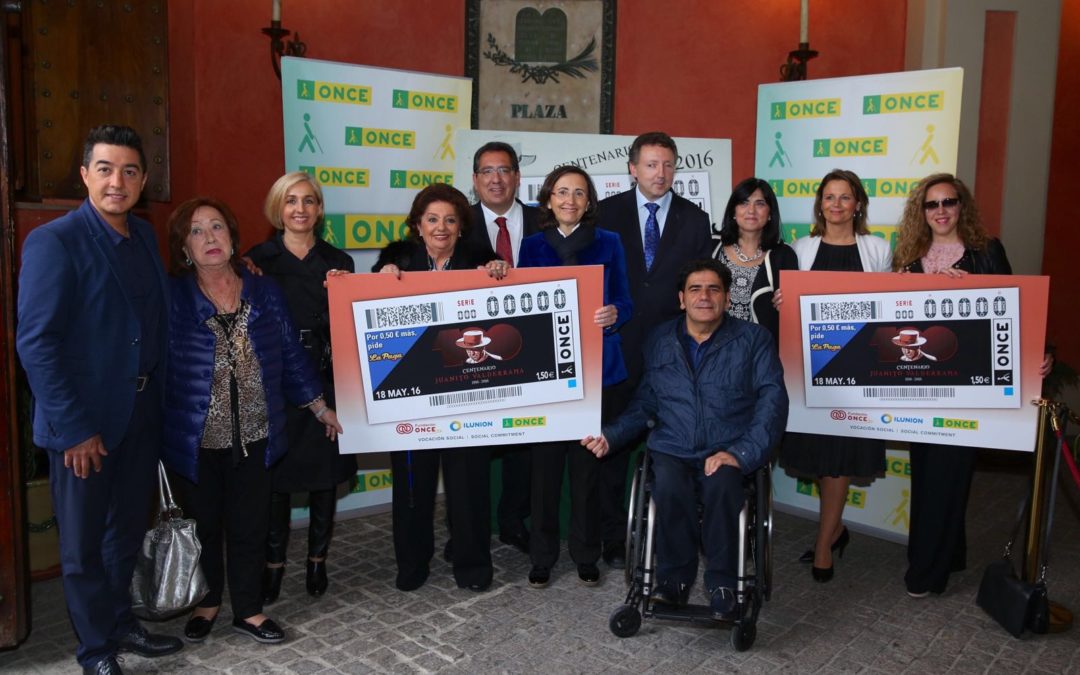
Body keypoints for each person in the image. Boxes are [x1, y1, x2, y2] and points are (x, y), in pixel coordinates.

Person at [16, 125, 181, 674]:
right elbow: (36, 343)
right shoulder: (54, 241)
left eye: (130, 170)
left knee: (125, 534)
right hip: (82, 427)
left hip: (140, 417)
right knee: (83, 549)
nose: (118, 181)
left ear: (143, 180)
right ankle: (95, 651)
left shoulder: (143, 237)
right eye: (106, 169)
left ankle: (120, 624)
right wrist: (74, 428)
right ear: (85, 174)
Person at [161, 197, 343, 645]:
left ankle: (249, 609)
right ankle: (208, 602)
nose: (209, 238)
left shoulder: (262, 290)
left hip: (257, 435)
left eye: (217, 227)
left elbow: (292, 356)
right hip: (195, 438)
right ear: (184, 245)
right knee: (205, 526)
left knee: (250, 526)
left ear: (233, 237)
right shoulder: (171, 296)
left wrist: (319, 406)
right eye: (197, 231)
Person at [582, 259, 787, 618]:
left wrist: (739, 453)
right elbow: (646, 402)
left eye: (713, 289)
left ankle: (723, 583)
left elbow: (773, 403)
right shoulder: (660, 340)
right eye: (695, 289)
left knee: (722, 486)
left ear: (726, 298)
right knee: (668, 488)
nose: (704, 297)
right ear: (681, 299)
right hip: (673, 447)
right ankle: (673, 581)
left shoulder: (754, 340)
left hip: (727, 449)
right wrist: (610, 436)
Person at [893, 173, 1051, 597]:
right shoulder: (908, 256)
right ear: (921, 211)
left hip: (968, 388)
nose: (941, 211)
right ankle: (952, 552)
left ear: (962, 206)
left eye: (949, 201)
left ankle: (926, 572)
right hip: (919, 387)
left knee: (948, 472)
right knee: (927, 473)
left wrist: (1038, 352)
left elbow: (1015, 307)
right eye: (932, 204)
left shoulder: (985, 251)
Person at [373, 183, 508, 592]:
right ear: (418, 224)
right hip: (412, 397)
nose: (441, 227)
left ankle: (473, 568)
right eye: (432, 219)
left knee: (468, 487)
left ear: (461, 226)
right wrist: (382, 280)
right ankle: (412, 567)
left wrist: (501, 273)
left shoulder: (482, 261)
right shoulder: (395, 260)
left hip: (465, 395)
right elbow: (368, 313)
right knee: (412, 487)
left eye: (450, 219)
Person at [596, 131, 713, 568]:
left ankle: (672, 539)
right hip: (617, 350)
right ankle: (612, 539)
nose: (659, 173)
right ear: (632, 168)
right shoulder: (604, 215)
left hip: (674, 355)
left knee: (675, 449)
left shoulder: (695, 220)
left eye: (667, 165)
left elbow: (702, 288)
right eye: (650, 164)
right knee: (614, 446)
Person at [517, 165, 632, 587]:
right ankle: (542, 557)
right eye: (561, 192)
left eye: (579, 193)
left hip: (596, 372)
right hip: (546, 375)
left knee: (587, 472)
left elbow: (625, 299)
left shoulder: (609, 243)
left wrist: (615, 314)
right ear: (547, 200)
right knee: (544, 473)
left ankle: (587, 553)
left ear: (589, 202)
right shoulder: (530, 247)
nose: (570, 200)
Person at [245, 172, 357, 603]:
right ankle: (273, 566)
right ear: (278, 207)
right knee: (277, 478)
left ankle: (317, 563)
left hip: (325, 376)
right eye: (291, 201)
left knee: (324, 476)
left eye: (309, 201)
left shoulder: (338, 261)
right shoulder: (257, 260)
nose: (300, 209)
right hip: (275, 382)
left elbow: (346, 327)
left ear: (319, 209)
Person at [782, 169, 892, 582]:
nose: (837, 204)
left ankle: (825, 543)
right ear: (820, 203)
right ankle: (837, 529)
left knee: (843, 455)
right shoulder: (802, 247)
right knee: (824, 457)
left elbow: (889, 307)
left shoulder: (877, 250)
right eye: (829, 197)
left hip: (861, 369)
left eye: (845, 197)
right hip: (813, 367)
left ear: (858, 204)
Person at [466, 141, 542, 554]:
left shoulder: (543, 220)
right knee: (469, 444)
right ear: (475, 180)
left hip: (528, 345)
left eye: (504, 170)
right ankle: (467, 527)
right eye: (487, 171)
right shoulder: (457, 223)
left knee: (524, 442)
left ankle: (513, 519)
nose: (496, 179)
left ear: (517, 177)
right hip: (472, 350)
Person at [711, 177, 798, 342]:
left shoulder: (784, 255)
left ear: (770, 213)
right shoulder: (711, 248)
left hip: (761, 352)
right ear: (733, 212)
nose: (751, 210)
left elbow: (790, 313)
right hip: (714, 350)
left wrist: (786, 306)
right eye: (744, 203)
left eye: (760, 204)